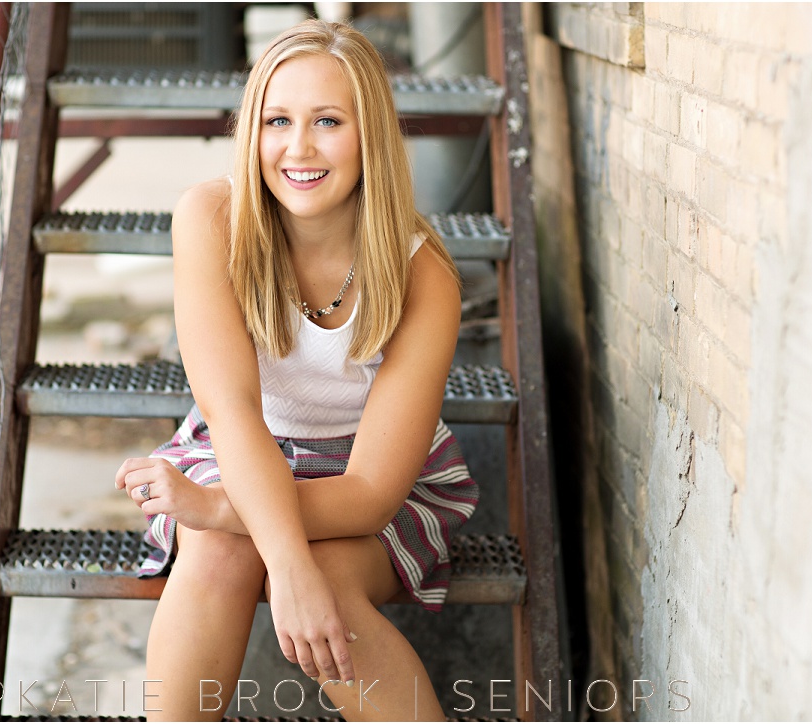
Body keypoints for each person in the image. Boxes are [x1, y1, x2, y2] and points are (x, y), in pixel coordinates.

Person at [107, 20, 477, 722]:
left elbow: (370, 493)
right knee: (216, 556)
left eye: (328, 121)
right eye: (278, 120)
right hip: (242, 447)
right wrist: (261, 541)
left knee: (323, 581)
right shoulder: (212, 218)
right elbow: (234, 413)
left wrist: (222, 512)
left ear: (370, 134)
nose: (298, 148)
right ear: (252, 130)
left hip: (368, 474)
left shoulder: (423, 275)